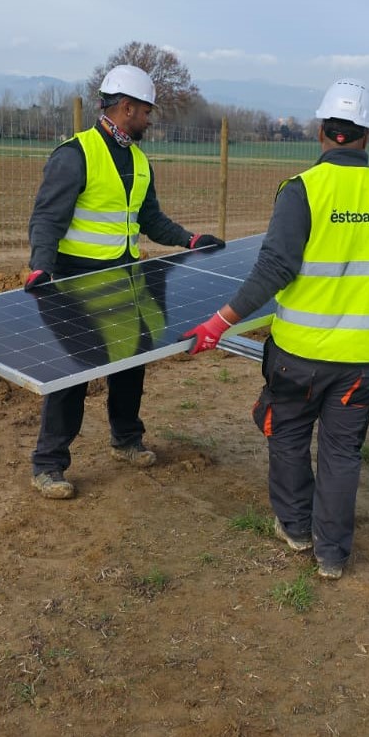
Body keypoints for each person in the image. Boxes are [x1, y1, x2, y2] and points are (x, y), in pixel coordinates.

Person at [183, 78, 369, 580]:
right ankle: (332, 556)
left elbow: (275, 268)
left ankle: (295, 529)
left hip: (300, 356)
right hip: (365, 361)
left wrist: (220, 322)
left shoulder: (303, 190)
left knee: (288, 438)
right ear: (366, 134)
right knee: (341, 453)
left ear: (321, 130)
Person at [25, 63, 224, 499]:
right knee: (71, 375)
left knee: (132, 363)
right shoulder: (75, 155)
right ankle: (48, 464)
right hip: (77, 282)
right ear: (126, 107)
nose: (150, 120)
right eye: (146, 111)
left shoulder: (138, 158)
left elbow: (149, 218)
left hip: (127, 278)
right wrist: (40, 266)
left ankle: (127, 439)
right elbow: (46, 218)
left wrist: (189, 239)